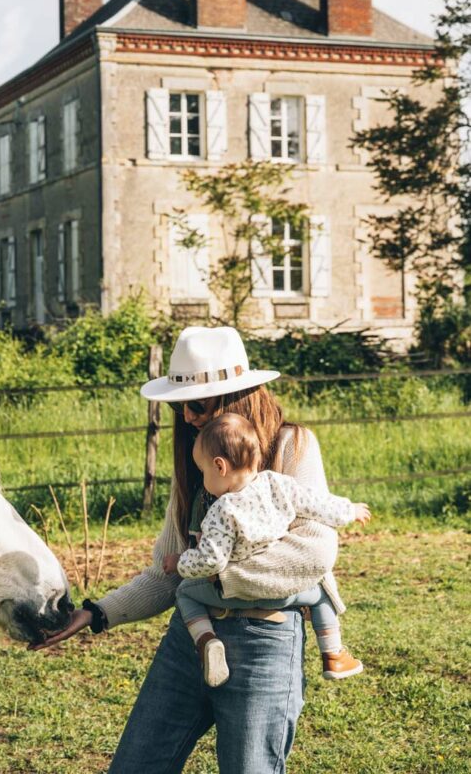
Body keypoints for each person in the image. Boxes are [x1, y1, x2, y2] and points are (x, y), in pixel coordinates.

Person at [35, 326, 356, 774]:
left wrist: (212, 578)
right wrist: (97, 612)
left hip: (264, 641)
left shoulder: (291, 447)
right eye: (179, 405)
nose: (186, 416)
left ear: (236, 399)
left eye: (197, 405)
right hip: (189, 639)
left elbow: (312, 554)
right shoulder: (200, 466)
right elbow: (168, 571)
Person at [164, 412, 370, 688]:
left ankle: (206, 641)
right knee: (322, 590)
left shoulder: (222, 510)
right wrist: (349, 510)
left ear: (219, 466)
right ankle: (333, 652)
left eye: (203, 472)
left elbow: (211, 561)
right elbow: (316, 504)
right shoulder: (276, 483)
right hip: (285, 593)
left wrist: (180, 562)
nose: (203, 480)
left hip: (237, 593)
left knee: (185, 593)